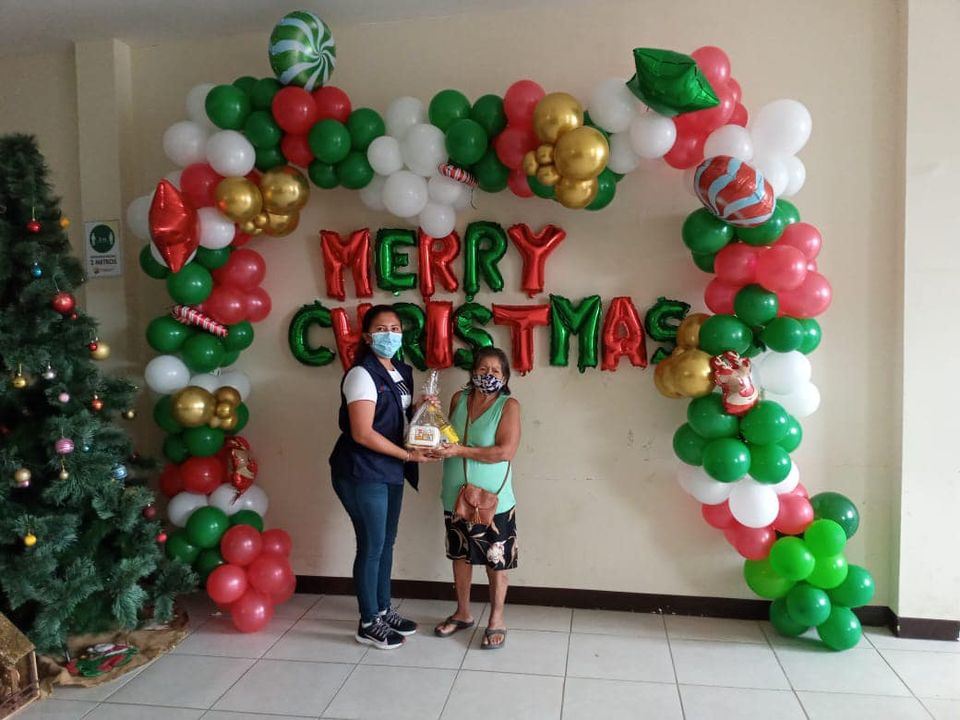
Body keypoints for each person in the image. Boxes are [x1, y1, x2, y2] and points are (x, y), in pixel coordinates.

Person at [329, 304, 435, 650]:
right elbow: (362, 432)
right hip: (361, 470)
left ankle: (383, 609)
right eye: (381, 329)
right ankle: (367, 622)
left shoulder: (401, 370)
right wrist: (408, 455)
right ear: (366, 336)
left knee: (386, 543)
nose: (390, 335)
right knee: (371, 545)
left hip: (390, 468)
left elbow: (395, 417)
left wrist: (421, 408)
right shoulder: (361, 374)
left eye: (395, 329)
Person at [430, 347, 520, 649]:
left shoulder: (508, 406)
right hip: (455, 496)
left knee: (496, 561)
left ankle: (496, 619)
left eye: (495, 371)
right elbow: (447, 437)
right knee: (460, 556)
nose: (488, 375)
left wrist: (461, 451)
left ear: (505, 377)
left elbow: (505, 451)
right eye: (483, 369)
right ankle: (463, 613)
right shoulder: (459, 399)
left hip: (493, 501)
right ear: (473, 372)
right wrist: (427, 411)